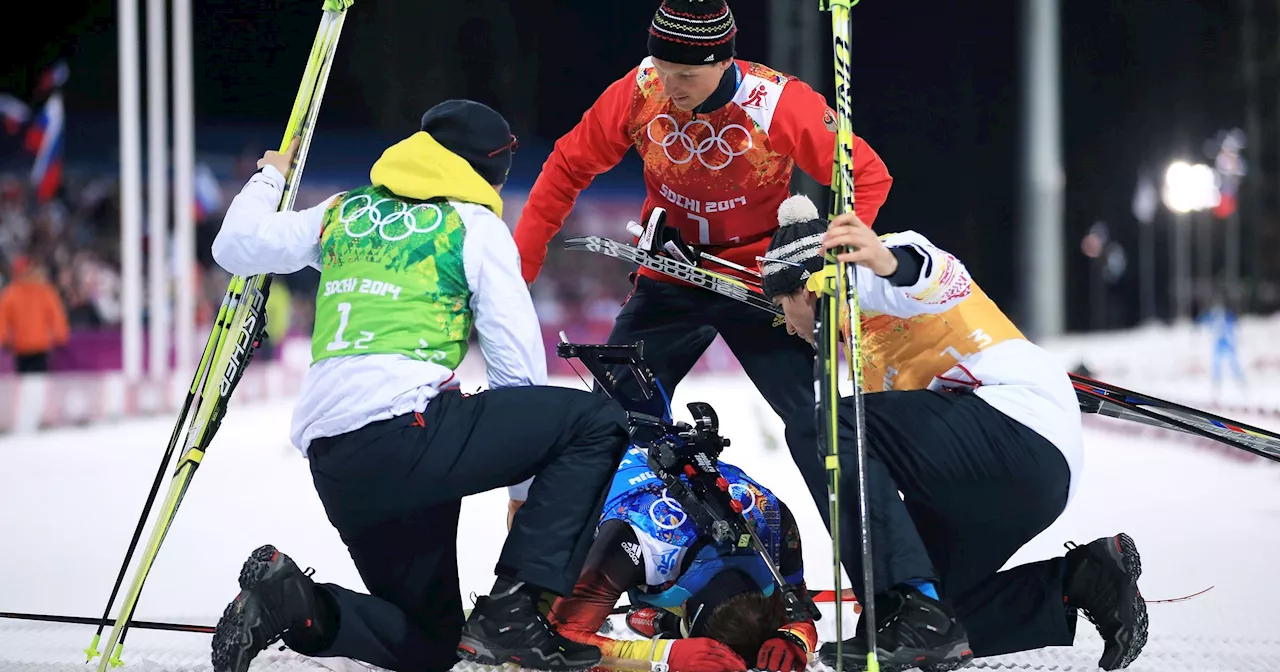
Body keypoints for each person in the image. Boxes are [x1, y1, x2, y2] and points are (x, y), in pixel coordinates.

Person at [207, 99, 631, 672]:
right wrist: (525, 500)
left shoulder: (344, 212)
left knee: (431, 647)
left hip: (337, 461)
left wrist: (270, 178)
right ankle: (514, 612)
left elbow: (234, 246)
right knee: (598, 421)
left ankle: (291, 602)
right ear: (486, 171)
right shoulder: (474, 226)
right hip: (410, 436)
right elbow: (519, 371)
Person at [512, 0, 893, 527]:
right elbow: (564, 168)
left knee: (819, 423)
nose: (669, 85)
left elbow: (867, 175)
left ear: (721, 62)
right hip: (671, 274)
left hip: (761, 284)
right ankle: (554, 582)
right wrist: (520, 271)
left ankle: (905, 590)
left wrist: (827, 268)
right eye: (663, 69)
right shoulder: (641, 89)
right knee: (608, 421)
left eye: (685, 74)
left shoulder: (777, 102)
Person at [756, 194, 1148, 671]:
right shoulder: (862, 353)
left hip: (1018, 428)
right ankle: (1082, 578)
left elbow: (924, 269)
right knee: (900, 631)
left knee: (816, 424)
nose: (787, 326)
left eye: (780, 307)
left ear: (804, 290)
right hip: (1006, 478)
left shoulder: (860, 274)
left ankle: (915, 604)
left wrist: (880, 260)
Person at [543, 441, 819, 672]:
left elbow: (798, 605)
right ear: (684, 609)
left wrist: (792, 636)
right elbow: (554, 640)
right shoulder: (638, 541)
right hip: (574, 457)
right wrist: (666, 653)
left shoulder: (773, 521)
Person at [0, 255, 69, 373]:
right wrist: (60, 336)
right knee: (39, 383)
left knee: (23, 384)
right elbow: (57, 316)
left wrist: (4, 339)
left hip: (22, 346)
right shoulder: (45, 291)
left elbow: (2, 320)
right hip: (38, 346)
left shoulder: (10, 294)